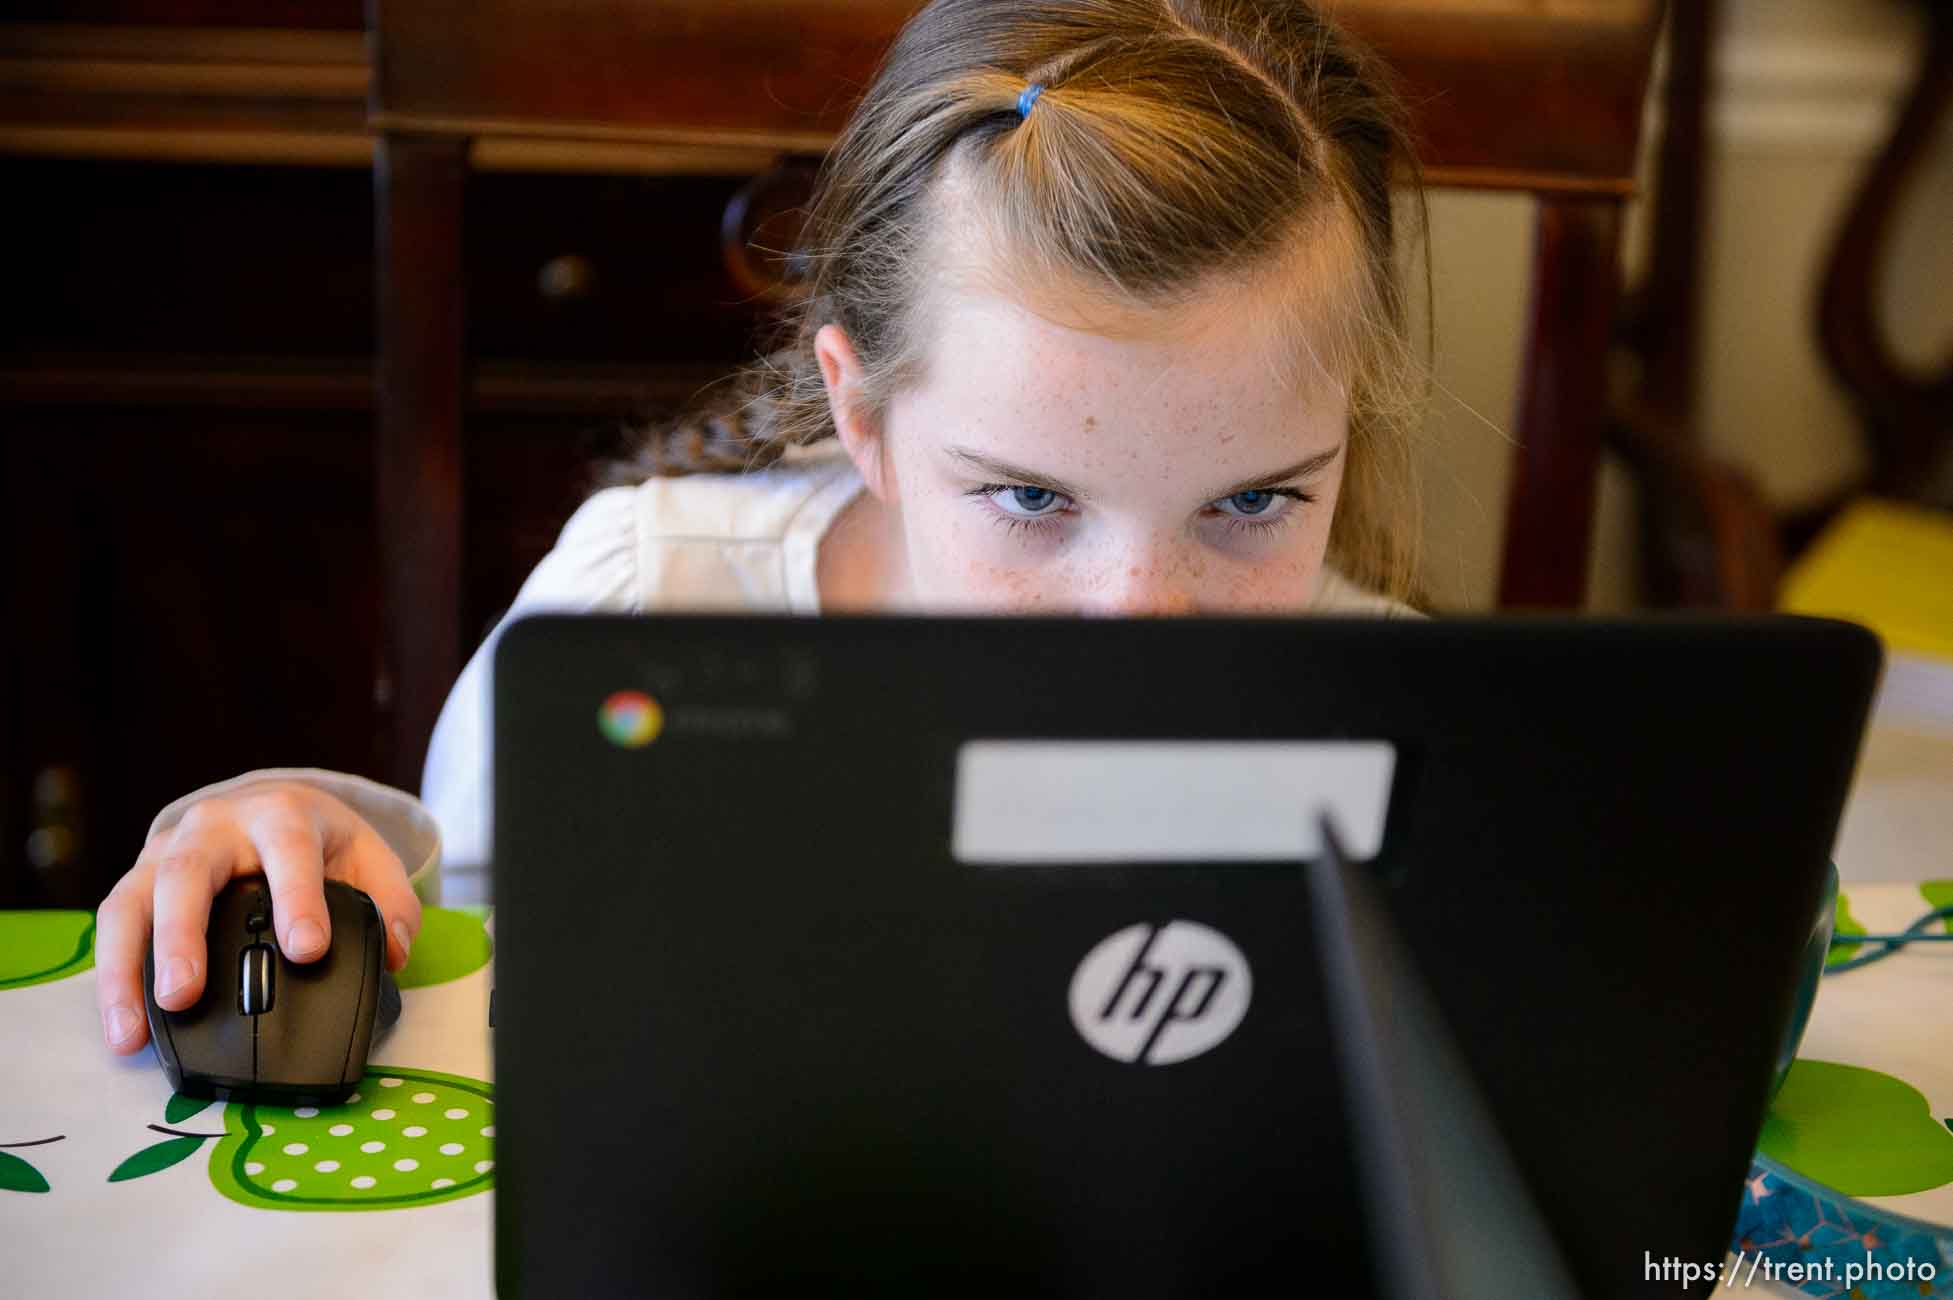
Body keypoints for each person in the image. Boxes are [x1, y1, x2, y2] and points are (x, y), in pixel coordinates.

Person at [96, 0, 1429, 1057]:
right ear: (860, 414)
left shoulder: (1414, 728)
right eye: (1031, 499)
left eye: (1252, 501)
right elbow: (457, 991)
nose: (1144, 618)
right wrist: (304, 847)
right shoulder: (644, 613)